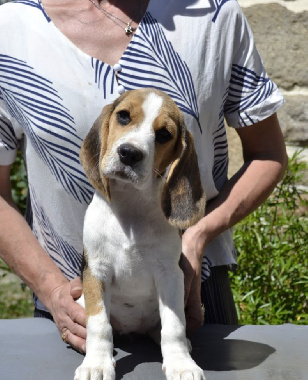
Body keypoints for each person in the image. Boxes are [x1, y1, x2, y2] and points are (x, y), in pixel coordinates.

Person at [0, 0, 287, 353]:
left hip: (189, 287)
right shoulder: (9, 28)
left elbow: (268, 154)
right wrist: (52, 287)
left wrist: (195, 236)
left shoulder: (216, 17)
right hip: (75, 302)